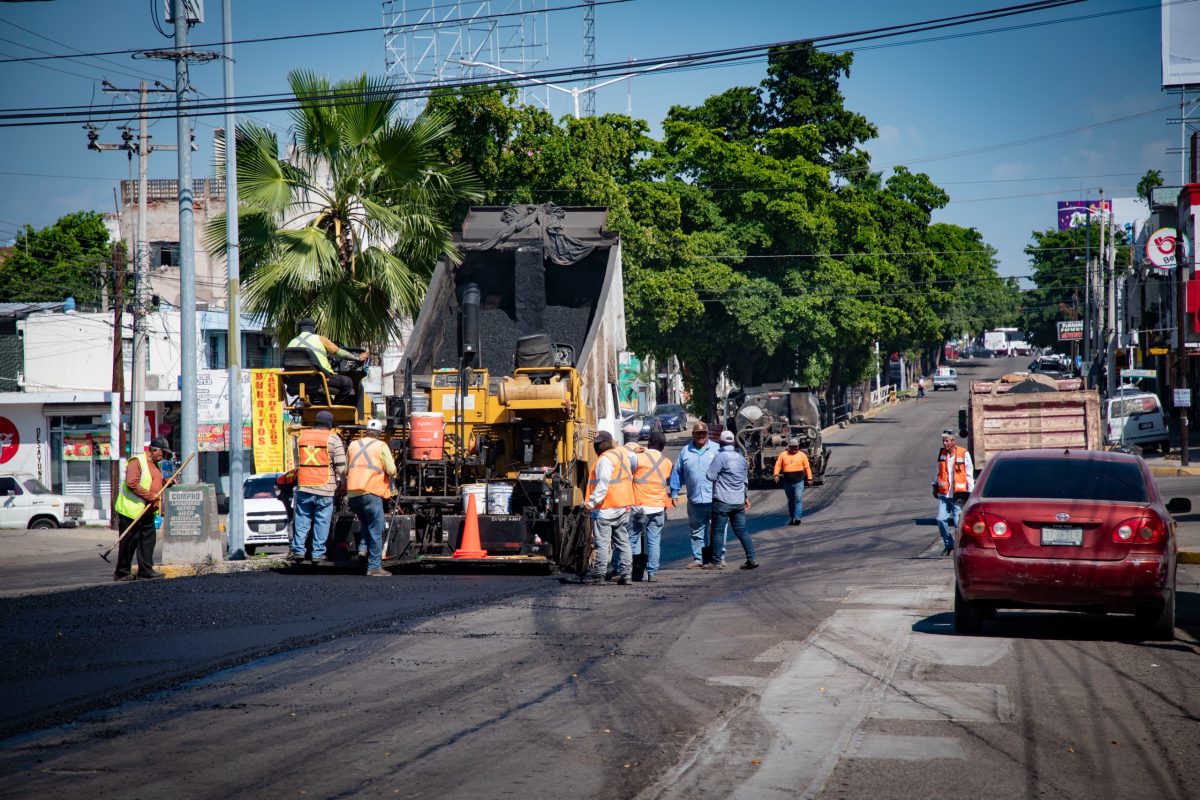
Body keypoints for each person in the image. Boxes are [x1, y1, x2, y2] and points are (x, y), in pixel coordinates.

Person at [289, 410, 346, 564]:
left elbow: (297, 461)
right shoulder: (333, 439)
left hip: (305, 485)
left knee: (302, 519)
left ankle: (299, 551)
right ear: (329, 424)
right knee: (322, 520)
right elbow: (341, 466)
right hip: (325, 486)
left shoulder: (301, 437)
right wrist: (344, 483)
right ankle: (317, 554)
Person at [112, 436, 172, 581]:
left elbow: (154, 480)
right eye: (162, 452)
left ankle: (145, 571)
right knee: (129, 542)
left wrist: (166, 482)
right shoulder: (137, 462)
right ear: (154, 449)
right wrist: (150, 496)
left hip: (148, 511)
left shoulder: (155, 464)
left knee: (147, 541)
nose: (163, 456)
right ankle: (122, 572)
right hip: (132, 510)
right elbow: (132, 483)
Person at [668, 421, 725, 568]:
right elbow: (677, 472)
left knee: (718, 529)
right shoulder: (685, 451)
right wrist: (674, 492)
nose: (701, 436)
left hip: (715, 498)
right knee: (696, 531)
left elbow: (726, 471)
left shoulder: (717, 449)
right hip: (695, 499)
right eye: (698, 433)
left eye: (703, 433)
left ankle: (719, 557)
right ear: (693, 434)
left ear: (707, 434)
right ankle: (699, 559)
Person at [346, 419, 397, 577]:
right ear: (380, 433)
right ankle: (374, 567)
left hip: (353, 494)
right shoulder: (381, 446)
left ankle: (362, 549)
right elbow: (392, 469)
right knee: (376, 528)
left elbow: (348, 468)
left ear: (366, 431)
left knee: (365, 523)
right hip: (371, 492)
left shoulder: (353, 445)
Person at [584, 430, 635, 585]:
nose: (596, 447)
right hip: (623, 505)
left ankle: (599, 575)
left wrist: (590, 503)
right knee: (623, 541)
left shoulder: (605, 460)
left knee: (602, 543)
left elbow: (602, 485)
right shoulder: (621, 454)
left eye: (598, 444)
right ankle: (626, 575)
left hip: (606, 508)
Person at [286, 317, 368, 406]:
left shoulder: (291, 343)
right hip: (319, 380)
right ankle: (335, 408)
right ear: (313, 328)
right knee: (347, 382)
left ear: (300, 329)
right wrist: (357, 358)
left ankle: (324, 403)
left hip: (295, 383)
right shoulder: (319, 339)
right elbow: (340, 353)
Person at [707, 429, 758, 569]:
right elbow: (745, 481)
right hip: (738, 501)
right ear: (733, 443)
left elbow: (710, 476)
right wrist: (745, 497)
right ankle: (752, 558)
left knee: (718, 531)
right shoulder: (741, 458)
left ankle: (716, 561)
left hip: (722, 500)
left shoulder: (720, 457)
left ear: (720, 443)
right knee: (741, 530)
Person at [628, 430, 672, 582]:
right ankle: (652, 573)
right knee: (654, 541)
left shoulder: (638, 458)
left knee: (632, 538)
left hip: (639, 507)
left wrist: (635, 451)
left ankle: (628, 571)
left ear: (649, 442)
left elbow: (628, 469)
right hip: (658, 507)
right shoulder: (667, 462)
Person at [933, 429, 974, 556]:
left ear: (953, 441)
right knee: (941, 519)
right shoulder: (942, 454)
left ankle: (961, 547)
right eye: (944, 441)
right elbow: (939, 471)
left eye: (947, 441)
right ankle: (949, 545)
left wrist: (970, 493)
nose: (945, 443)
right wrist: (934, 485)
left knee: (958, 523)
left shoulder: (963, 453)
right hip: (945, 495)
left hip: (958, 495)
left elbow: (969, 473)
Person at [773, 437, 813, 526]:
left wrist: (809, 478)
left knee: (798, 499)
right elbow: (778, 465)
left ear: (798, 447)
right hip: (787, 482)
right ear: (789, 447)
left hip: (799, 482)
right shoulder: (783, 455)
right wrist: (776, 474)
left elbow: (807, 467)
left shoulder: (802, 455)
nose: (794, 449)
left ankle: (797, 517)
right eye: (792, 447)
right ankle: (792, 517)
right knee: (791, 501)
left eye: (796, 447)